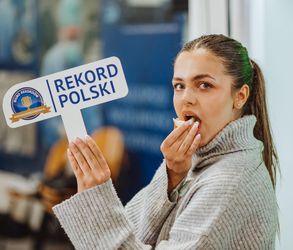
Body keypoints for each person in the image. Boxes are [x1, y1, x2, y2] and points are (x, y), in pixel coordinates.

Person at [53, 34, 279, 249]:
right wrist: (173, 174)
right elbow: (134, 234)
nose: (186, 99)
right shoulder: (194, 163)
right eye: (179, 86)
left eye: (204, 85)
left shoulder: (228, 182)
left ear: (240, 96)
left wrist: (97, 201)